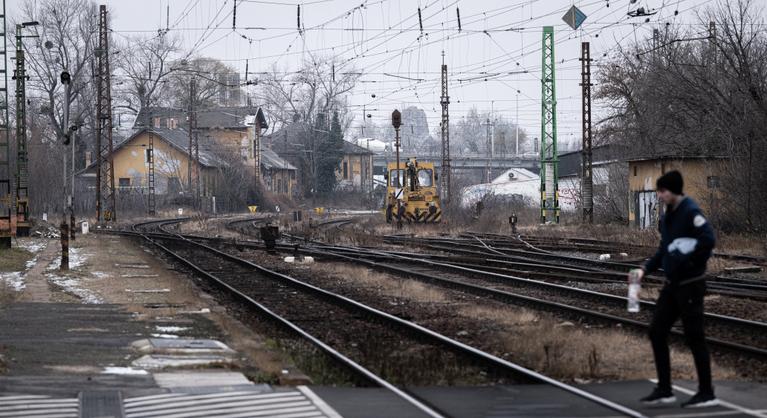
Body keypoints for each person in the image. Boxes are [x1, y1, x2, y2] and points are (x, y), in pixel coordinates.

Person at [633, 170, 718, 408]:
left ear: (673, 191)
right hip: (672, 285)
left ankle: (706, 392)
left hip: (690, 285)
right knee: (657, 331)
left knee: (694, 337)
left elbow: (708, 240)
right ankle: (664, 389)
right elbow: (664, 250)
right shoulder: (669, 215)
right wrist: (645, 269)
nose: (659, 195)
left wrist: (691, 262)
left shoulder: (691, 212)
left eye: (662, 191)